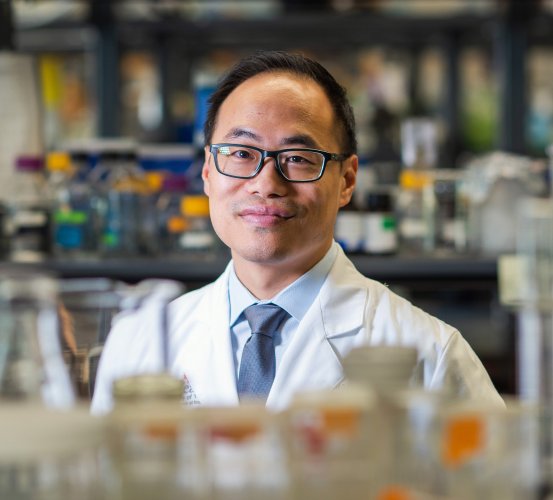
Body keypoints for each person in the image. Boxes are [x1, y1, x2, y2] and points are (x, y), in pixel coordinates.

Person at [91, 51, 504, 415]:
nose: (266, 183)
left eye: (299, 158)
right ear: (206, 172)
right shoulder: (139, 340)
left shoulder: (429, 354)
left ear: (346, 180)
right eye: (240, 153)